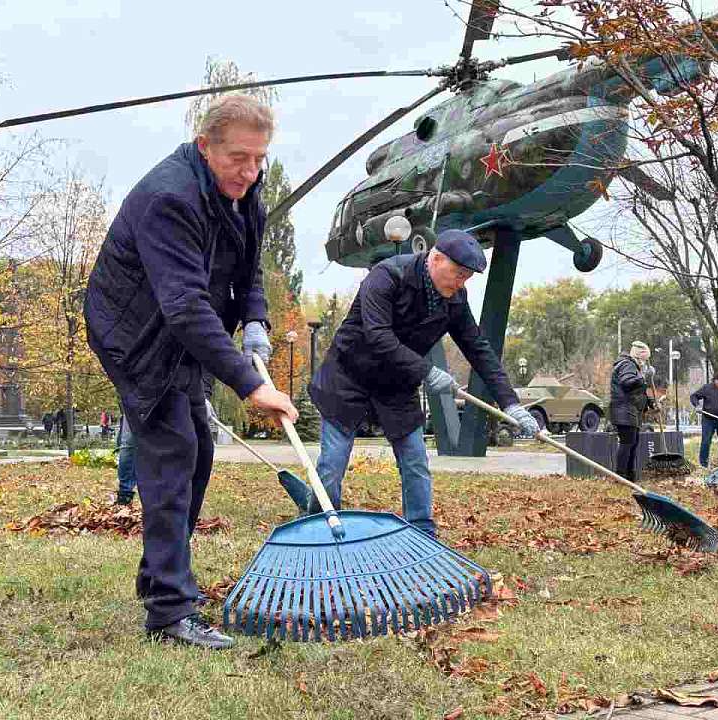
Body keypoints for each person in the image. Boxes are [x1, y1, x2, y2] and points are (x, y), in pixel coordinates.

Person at [84, 94, 296, 650]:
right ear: (205, 147)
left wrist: (255, 321)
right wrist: (251, 386)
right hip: (137, 335)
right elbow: (182, 305)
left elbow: (248, 266)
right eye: (238, 159)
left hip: (185, 331)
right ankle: (169, 613)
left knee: (197, 451)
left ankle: (161, 576)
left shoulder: (245, 190)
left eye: (259, 159)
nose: (250, 172)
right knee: (173, 452)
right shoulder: (168, 198)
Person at [307, 230, 540, 538]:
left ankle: (422, 532)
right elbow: (379, 336)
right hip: (349, 377)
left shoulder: (454, 299)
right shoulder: (387, 276)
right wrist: (427, 372)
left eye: (467, 278)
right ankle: (319, 524)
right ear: (436, 257)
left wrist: (510, 403)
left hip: (397, 386)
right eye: (458, 274)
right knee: (332, 463)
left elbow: (479, 350)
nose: (460, 283)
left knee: (415, 460)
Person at [609, 341, 654, 481]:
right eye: (644, 360)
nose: (645, 363)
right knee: (627, 443)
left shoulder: (633, 366)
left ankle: (630, 476)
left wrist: (651, 403)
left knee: (632, 444)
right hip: (624, 409)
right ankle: (621, 476)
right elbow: (627, 383)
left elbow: (637, 393)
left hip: (630, 410)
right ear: (639, 356)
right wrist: (644, 377)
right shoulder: (627, 365)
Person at [691, 370, 718, 468]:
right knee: (706, 441)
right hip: (708, 420)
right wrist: (697, 406)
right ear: (716, 380)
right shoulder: (707, 388)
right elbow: (694, 396)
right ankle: (703, 464)